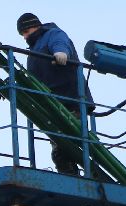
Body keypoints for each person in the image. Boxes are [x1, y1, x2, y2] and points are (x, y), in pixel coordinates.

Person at [16, 12, 92, 178]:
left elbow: (60, 43)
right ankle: (71, 176)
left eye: (26, 32)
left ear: (34, 26)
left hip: (70, 100)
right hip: (52, 104)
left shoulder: (52, 34)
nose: (25, 37)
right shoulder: (33, 51)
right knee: (60, 150)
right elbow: (31, 80)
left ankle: (80, 176)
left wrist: (61, 53)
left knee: (66, 147)